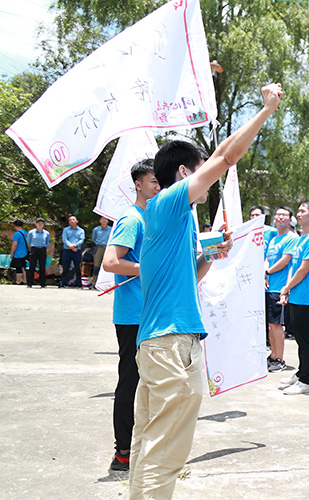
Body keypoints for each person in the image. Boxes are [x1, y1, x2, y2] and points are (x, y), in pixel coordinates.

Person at [130, 82, 281, 499]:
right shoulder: (168, 202)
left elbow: (187, 278)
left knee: (150, 442)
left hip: (159, 343)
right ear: (184, 173)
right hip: (171, 344)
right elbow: (226, 157)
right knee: (166, 451)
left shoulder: (171, 220)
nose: (208, 182)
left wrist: (210, 257)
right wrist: (266, 110)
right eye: (200, 172)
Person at [101, 159, 160, 472]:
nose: (158, 187)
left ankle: (147, 448)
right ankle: (122, 452)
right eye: (153, 181)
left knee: (155, 384)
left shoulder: (153, 219)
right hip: (133, 316)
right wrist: (147, 268)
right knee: (130, 382)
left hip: (153, 313)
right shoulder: (131, 218)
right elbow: (111, 262)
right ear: (138, 184)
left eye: (160, 182)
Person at [277, 201, 309, 395]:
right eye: (298, 211)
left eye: (302, 211)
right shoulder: (301, 238)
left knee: (305, 339)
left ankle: (306, 380)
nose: (298, 214)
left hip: (306, 296)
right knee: (299, 337)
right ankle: (300, 372)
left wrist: (287, 287)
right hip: (296, 294)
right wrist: (287, 288)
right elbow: (293, 267)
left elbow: (304, 269)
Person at [264, 206, 297, 372]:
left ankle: (280, 359)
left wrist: (267, 272)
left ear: (290, 220)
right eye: (278, 214)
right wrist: (264, 275)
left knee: (277, 324)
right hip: (269, 286)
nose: (280, 217)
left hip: (280, 288)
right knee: (271, 324)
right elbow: (267, 259)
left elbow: (285, 261)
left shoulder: (292, 238)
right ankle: (273, 355)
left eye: (284, 215)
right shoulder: (274, 239)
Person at [60, 214, 85, 288]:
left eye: (73, 220)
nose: (72, 221)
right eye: (70, 220)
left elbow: (81, 240)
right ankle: (64, 283)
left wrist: (75, 245)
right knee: (65, 267)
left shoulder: (81, 230)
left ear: (77, 221)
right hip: (67, 250)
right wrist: (70, 246)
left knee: (77, 267)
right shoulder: (66, 230)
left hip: (77, 250)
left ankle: (78, 283)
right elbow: (64, 239)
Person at [26, 218, 49, 288]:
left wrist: (45, 249)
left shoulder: (46, 233)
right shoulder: (31, 232)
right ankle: (30, 283)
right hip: (34, 249)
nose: (40, 225)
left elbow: (47, 242)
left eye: (42, 223)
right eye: (38, 223)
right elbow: (28, 242)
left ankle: (42, 283)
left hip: (42, 249)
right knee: (32, 266)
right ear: (36, 224)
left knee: (42, 267)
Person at [91, 216, 112, 287]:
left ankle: (106, 284)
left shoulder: (111, 229)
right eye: (102, 219)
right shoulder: (96, 229)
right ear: (99, 221)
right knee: (96, 266)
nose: (104, 221)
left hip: (108, 248)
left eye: (105, 219)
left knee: (107, 265)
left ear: (108, 221)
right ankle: (94, 283)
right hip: (99, 247)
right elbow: (93, 239)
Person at [9, 220, 28, 284]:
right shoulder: (25, 233)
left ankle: (17, 281)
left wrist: (12, 253)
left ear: (15, 226)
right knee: (23, 267)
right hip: (25, 252)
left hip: (18, 253)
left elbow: (15, 244)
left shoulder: (17, 234)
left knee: (18, 268)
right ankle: (24, 281)